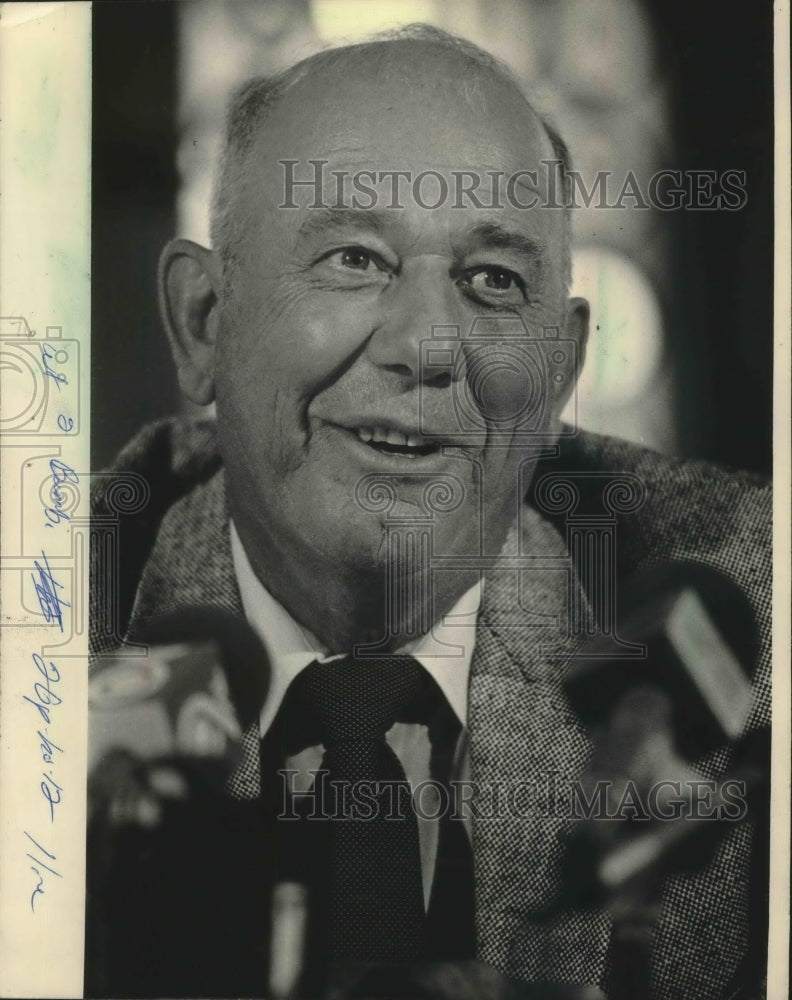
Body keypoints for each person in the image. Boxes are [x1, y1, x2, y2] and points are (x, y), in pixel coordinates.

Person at [88, 24, 771, 1000]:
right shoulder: (56, 632)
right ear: (203, 321)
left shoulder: (740, 620)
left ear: (564, 370)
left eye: (493, 281)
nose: (429, 347)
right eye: (356, 258)